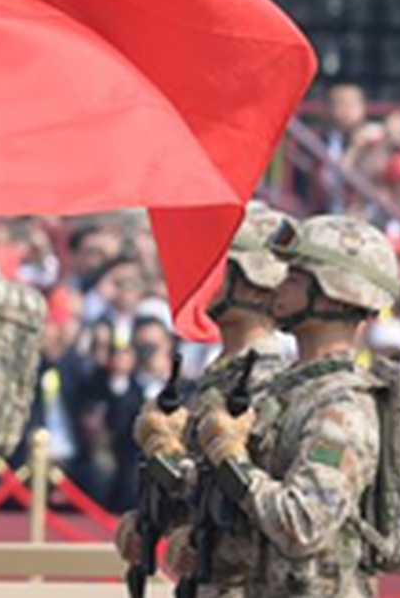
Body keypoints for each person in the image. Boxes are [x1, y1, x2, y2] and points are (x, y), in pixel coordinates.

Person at [196, 214, 400, 598]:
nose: (279, 283)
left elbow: (301, 525)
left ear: (334, 293)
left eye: (295, 276)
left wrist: (232, 462)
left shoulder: (343, 406)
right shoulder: (286, 390)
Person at [120, 205, 294, 598]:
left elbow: (246, 497)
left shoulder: (269, 380)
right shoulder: (223, 373)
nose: (201, 279)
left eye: (218, 268)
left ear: (253, 283)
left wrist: (166, 456)